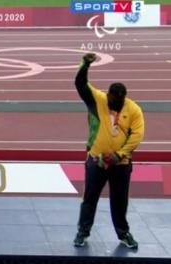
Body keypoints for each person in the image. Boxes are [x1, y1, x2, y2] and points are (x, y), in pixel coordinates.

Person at [73, 53, 144, 249]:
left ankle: (123, 233)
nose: (116, 104)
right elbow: (80, 85)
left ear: (124, 97)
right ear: (109, 95)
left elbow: (137, 135)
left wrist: (119, 155)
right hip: (97, 161)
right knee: (90, 198)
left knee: (120, 201)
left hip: (120, 164)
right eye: (114, 101)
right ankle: (82, 231)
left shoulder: (134, 110)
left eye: (119, 102)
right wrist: (85, 64)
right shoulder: (99, 99)